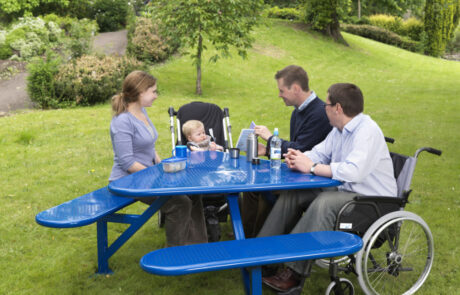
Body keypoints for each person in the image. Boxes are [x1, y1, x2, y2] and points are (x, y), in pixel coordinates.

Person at [259, 83, 398, 293]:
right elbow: (319, 152)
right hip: (348, 192)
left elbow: (353, 172)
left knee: (324, 203)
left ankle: (294, 272)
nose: (324, 108)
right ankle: (263, 255)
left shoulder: (366, 131)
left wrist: (312, 167)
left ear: (338, 108)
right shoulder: (339, 130)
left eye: (327, 104)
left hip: (373, 202)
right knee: (295, 192)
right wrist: (300, 159)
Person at [109, 70, 207, 247]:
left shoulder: (142, 113)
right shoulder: (122, 121)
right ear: (140, 92)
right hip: (128, 181)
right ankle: (175, 254)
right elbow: (128, 163)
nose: (156, 95)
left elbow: (150, 147)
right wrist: (158, 174)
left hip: (147, 175)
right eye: (153, 91)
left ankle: (198, 246)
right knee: (179, 203)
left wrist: (165, 165)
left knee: (193, 192)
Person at [241, 65, 332, 238]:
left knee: (259, 188)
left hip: (312, 180)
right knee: (252, 186)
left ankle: (258, 242)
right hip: (296, 172)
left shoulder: (319, 114)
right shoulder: (298, 112)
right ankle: (249, 239)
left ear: (296, 89)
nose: (279, 95)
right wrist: (267, 150)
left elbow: (300, 151)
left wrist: (270, 138)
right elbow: (296, 147)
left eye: (282, 90)